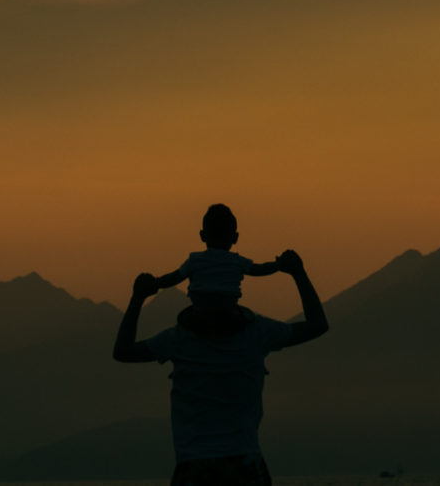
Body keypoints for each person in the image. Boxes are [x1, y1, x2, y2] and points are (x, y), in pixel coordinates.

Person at [114, 234, 329, 486]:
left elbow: (123, 351)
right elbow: (317, 325)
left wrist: (138, 297)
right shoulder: (258, 333)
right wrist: (297, 273)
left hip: (193, 467)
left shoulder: (178, 340)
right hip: (244, 465)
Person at [152, 203, 282, 303]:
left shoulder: (195, 260)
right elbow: (259, 269)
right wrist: (278, 265)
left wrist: (154, 282)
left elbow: (174, 278)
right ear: (235, 237)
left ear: (202, 236)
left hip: (200, 313)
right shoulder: (236, 261)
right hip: (229, 313)